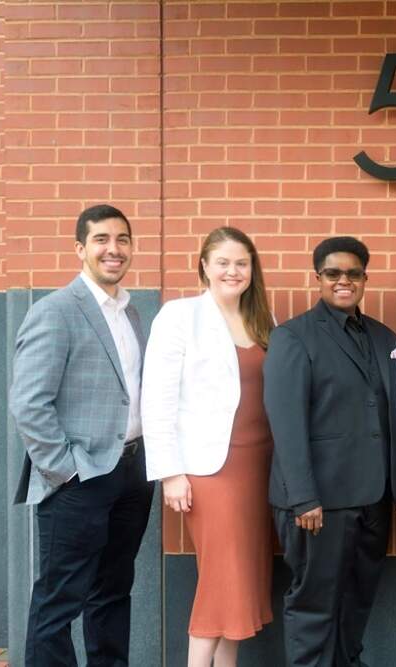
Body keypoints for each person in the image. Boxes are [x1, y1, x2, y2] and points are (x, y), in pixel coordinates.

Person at [9, 204, 155, 666]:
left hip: (132, 473)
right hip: (78, 479)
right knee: (58, 602)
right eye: (101, 240)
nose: (114, 249)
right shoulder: (56, 311)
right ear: (80, 249)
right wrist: (65, 471)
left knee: (113, 593)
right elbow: (29, 402)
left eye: (123, 240)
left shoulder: (131, 313)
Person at [264, 236, 396, 667]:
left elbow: (393, 415)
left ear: (365, 278)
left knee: (357, 599)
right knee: (315, 604)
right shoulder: (294, 337)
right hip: (320, 502)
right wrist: (303, 497)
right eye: (333, 273)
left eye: (353, 273)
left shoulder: (385, 338)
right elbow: (286, 423)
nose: (343, 280)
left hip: (375, 498)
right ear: (319, 278)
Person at [141, 227, 275, 667]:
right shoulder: (179, 316)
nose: (233, 271)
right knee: (221, 581)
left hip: (258, 467)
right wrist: (171, 472)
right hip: (211, 470)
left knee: (242, 583)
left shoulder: (261, 321)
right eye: (223, 262)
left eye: (241, 263)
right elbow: (156, 398)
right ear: (204, 266)